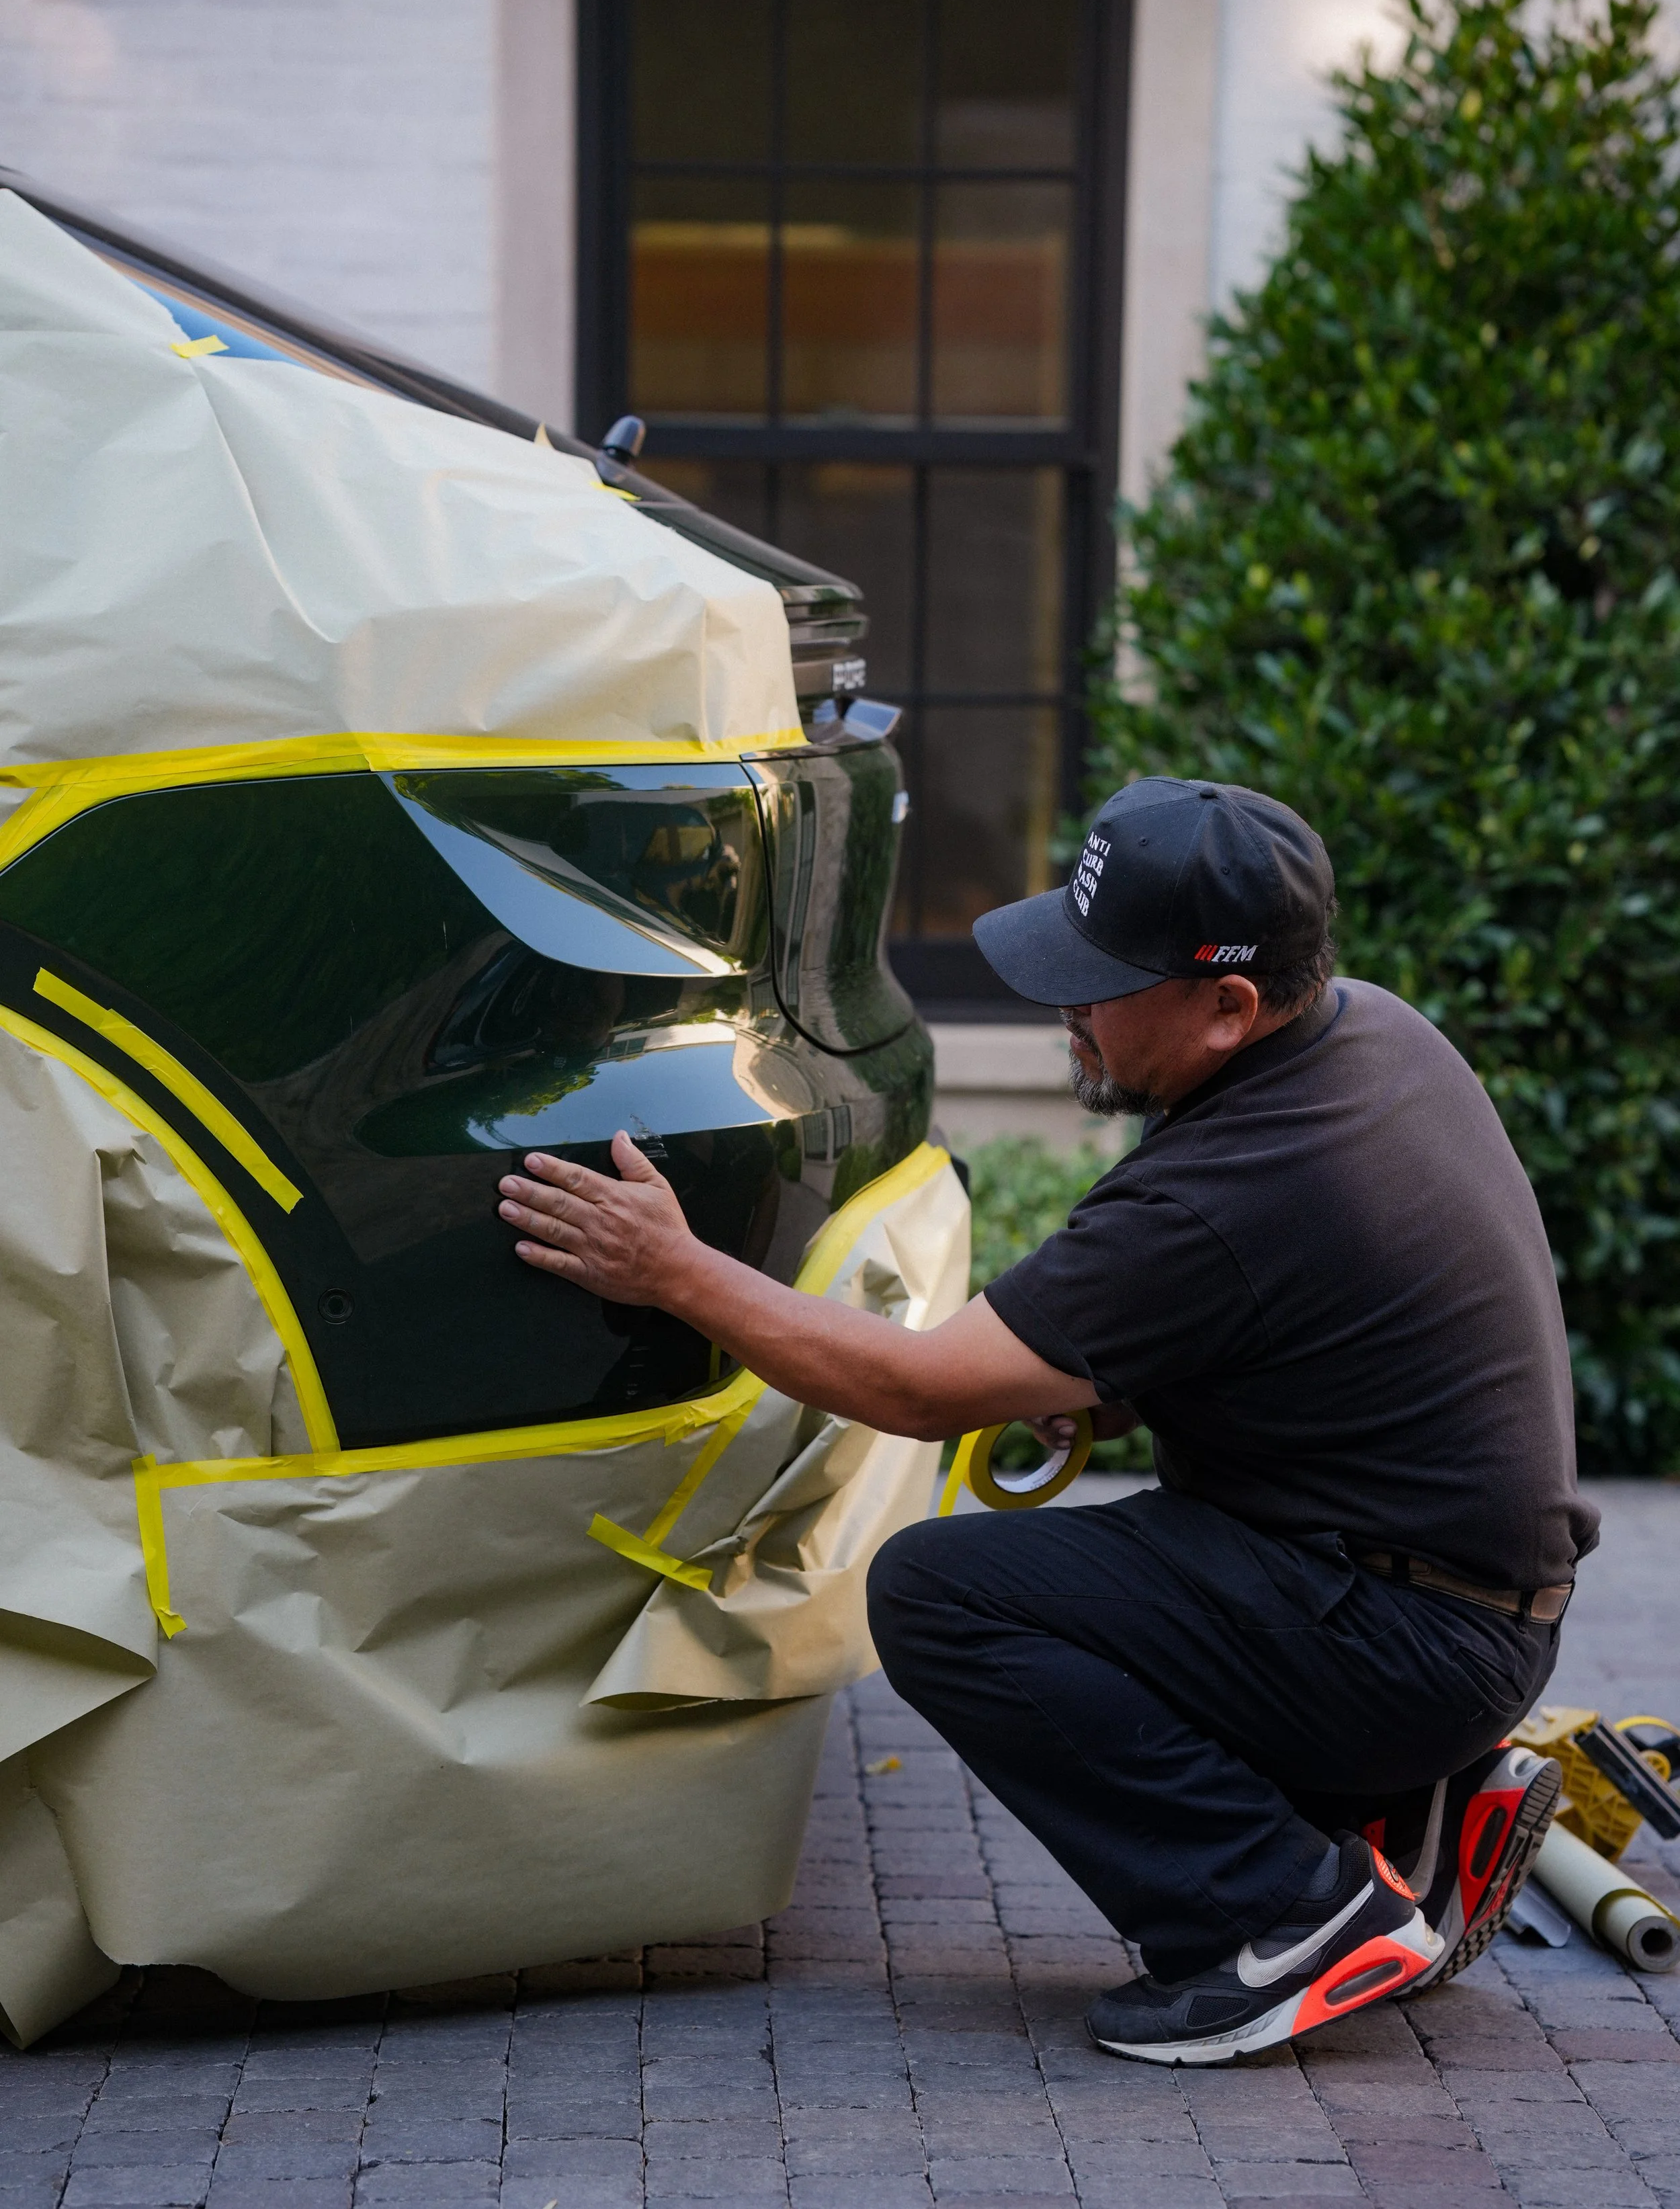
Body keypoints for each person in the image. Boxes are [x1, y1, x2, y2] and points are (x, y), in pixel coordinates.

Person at [496, 776, 1597, 2067]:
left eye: (1100, 980)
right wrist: (1122, 1381)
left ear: (1229, 1007)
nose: (1063, 1005)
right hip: (1455, 1602)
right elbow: (1322, 1321)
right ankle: (1404, 1817)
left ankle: (1283, 1915)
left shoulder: (1224, 1193)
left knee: (944, 1595)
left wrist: (673, 1271)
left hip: (1404, 1642)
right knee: (1133, 1571)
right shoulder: (1373, 1039)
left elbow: (918, 1388)